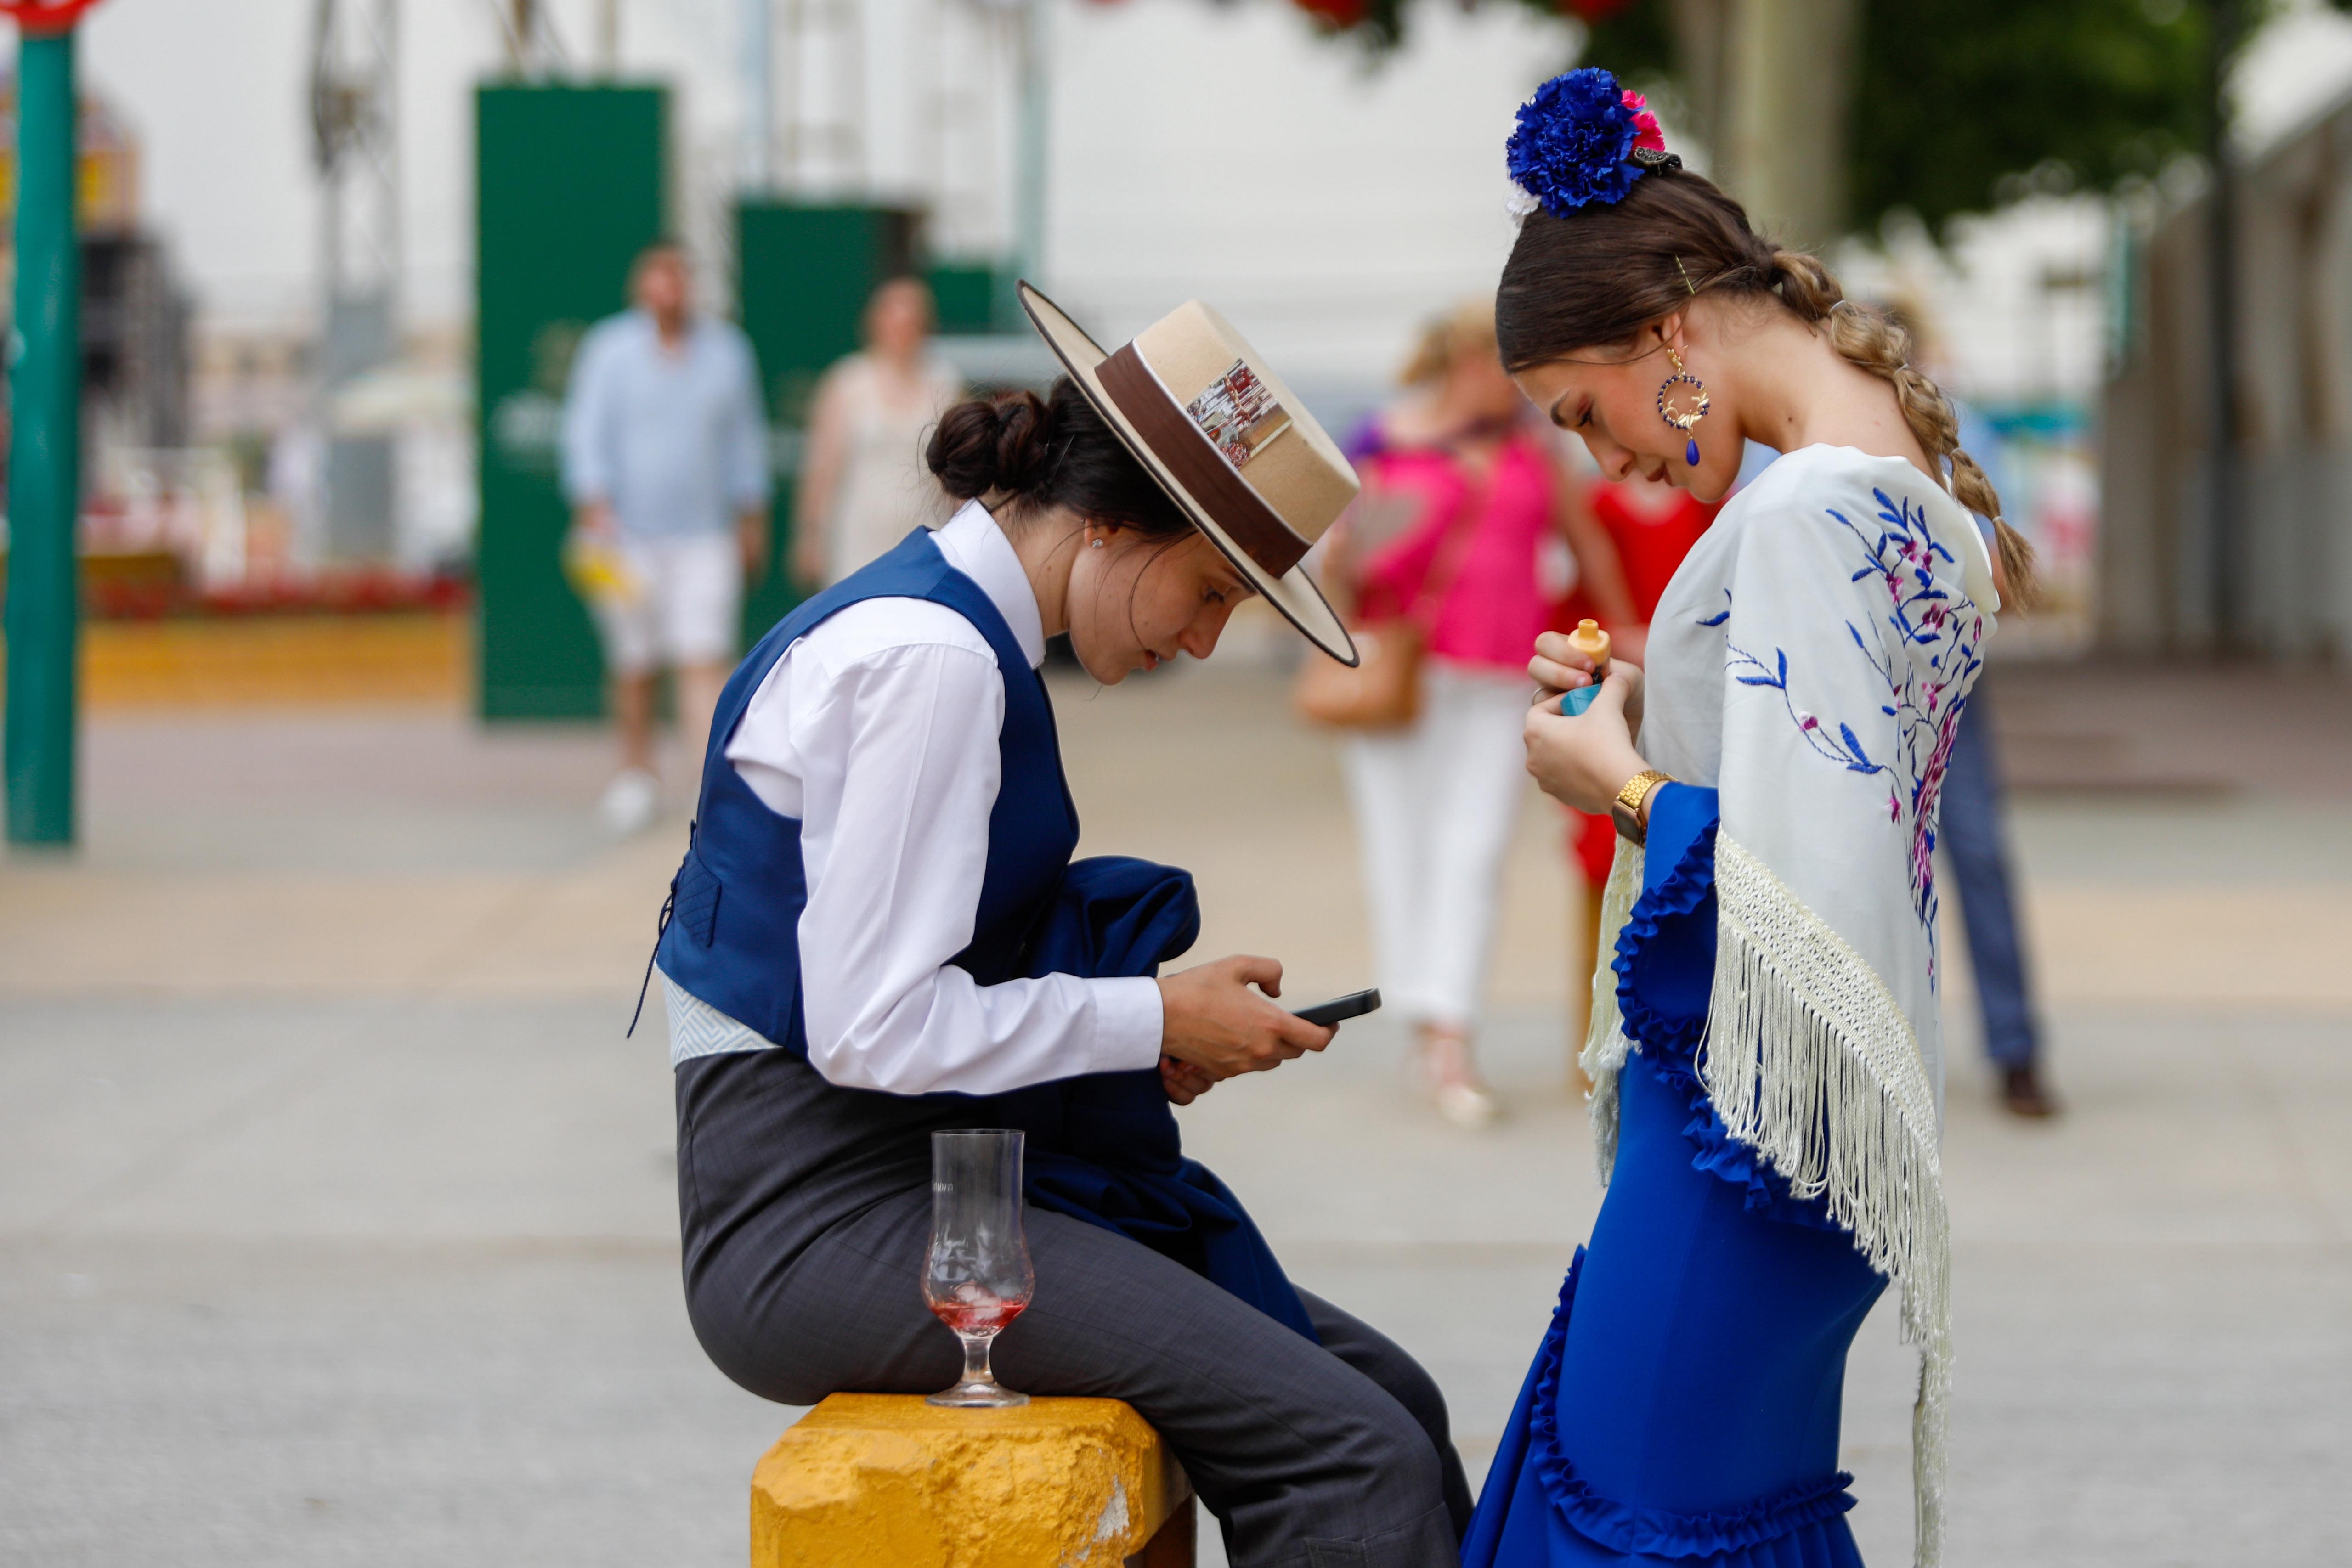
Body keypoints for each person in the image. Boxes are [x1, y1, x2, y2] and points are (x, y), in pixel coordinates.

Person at [651, 286, 1472, 1568]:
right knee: (1351, 1448)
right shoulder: (931, 660)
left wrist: (1149, 1029)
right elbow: (875, 1026)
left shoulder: (953, 635)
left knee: (1388, 1396)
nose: (1202, 639)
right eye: (1211, 589)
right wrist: (1149, 1012)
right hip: (813, 1214)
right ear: (1108, 523)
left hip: (915, 1175)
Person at [1460, 70, 2034, 1568]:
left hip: (1742, 1125)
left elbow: (1799, 889)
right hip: (1812, 1132)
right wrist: (1651, 703)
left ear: (1667, 334)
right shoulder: (1882, 471)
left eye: (1585, 415)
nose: (1605, 461)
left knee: (1634, 1526)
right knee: (1718, 1520)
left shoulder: (1800, 512)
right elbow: (1822, 791)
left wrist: (1615, 782)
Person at [1329, 298, 1639, 1128]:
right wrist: (1358, 552)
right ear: (1464, 364)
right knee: (1402, 849)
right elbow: (1344, 568)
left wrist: (1622, 623)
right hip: (1406, 674)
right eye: (1505, 369)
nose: (1518, 387)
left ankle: (1451, 1036)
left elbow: (1587, 539)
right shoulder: (1382, 443)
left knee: (1474, 853)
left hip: (1502, 676)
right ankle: (1422, 1014)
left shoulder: (1532, 449)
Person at [561, 239, 772, 834]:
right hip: (626, 537)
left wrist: (751, 516)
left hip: (706, 535)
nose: (668, 290)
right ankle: (636, 774)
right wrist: (594, 505)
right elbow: (585, 432)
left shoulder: (729, 351)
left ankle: (709, 787)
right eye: (657, 278)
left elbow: (745, 440)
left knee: (703, 657)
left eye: (677, 277)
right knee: (634, 661)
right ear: (640, 287)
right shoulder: (607, 349)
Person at [790, 276, 965, 589]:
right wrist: (811, 534)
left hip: (925, 540)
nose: (902, 330)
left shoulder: (946, 382)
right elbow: (822, 467)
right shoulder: (848, 383)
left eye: (912, 321)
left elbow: (960, 467)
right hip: (859, 539)